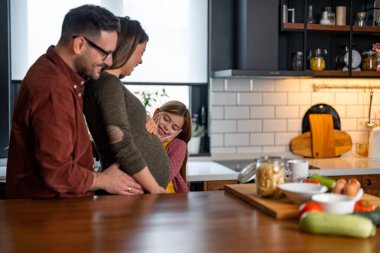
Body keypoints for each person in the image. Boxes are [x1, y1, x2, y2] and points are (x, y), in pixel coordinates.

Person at [6, 5, 144, 199]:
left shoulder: (61, 74)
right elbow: (57, 173)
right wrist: (106, 180)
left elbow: (59, 141)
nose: (110, 62)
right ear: (79, 44)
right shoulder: (52, 88)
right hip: (47, 215)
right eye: (106, 53)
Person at [83, 17, 169, 194]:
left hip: (133, 192)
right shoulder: (108, 83)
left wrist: (145, 127)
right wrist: (155, 189)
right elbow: (121, 144)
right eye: (142, 52)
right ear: (127, 47)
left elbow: (123, 132)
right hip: (133, 191)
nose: (141, 61)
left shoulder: (107, 83)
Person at [152, 101, 192, 193]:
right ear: (156, 112)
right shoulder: (139, 133)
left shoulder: (178, 145)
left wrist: (156, 142)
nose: (167, 127)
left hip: (168, 201)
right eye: (166, 119)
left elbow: (162, 178)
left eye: (174, 128)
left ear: (178, 133)